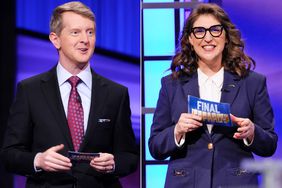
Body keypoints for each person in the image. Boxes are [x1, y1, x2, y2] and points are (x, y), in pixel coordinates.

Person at [1, 1, 138, 187]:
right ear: (55, 39)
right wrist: (38, 160)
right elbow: (9, 154)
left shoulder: (116, 94)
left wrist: (113, 163)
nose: (85, 40)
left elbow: (129, 156)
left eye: (90, 32)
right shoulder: (30, 90)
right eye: (76, 32)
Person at [149, 3, 277, 188]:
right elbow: (155, 146)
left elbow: (269, 144)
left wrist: (252, 132)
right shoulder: (171, 84)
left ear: (226, 37)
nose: (208, 38)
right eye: (199, 31)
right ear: (190, 40)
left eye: (215, 30)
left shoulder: (252, 83)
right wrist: (177, 131)